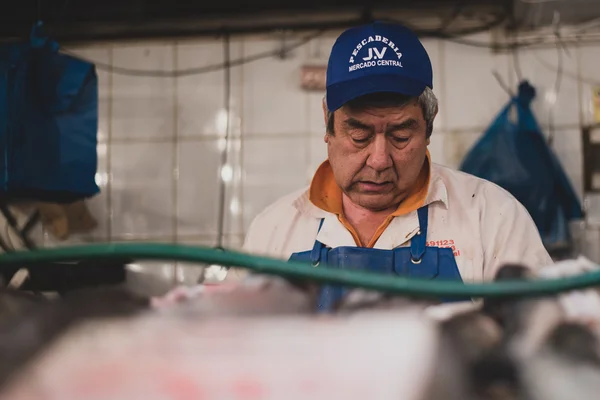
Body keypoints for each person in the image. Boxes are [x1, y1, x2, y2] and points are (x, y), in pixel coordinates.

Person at [226, 21, 553, 310]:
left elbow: (546, 345)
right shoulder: (273, 232)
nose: (379, 160)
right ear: (327, 121)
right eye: (358, 135)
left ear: (429, 125)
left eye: (400, 135)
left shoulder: (492, 218)